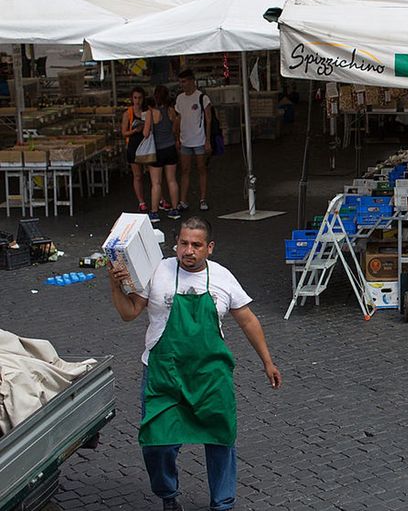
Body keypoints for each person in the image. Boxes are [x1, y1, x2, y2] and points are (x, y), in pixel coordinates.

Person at [107, 216, 282, 511]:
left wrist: (268, 361)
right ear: (176, 244)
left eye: (196, 245)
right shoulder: (157, 271)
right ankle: (168, 495)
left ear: (209, 247)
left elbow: (248, 320)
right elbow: (129, 313)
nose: (188, 251)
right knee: (157, 443)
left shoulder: (223, 277)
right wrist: (115, 285)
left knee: (221, 438)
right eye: (183, 243)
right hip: (164, 375)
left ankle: (222, 504)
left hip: (210, 377)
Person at [174, 69, 213, 212]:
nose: (182, 84)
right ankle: (183, 200)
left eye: (184, 81)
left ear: (191, 81)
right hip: (185, 140)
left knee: (201, 169)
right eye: (180, 82)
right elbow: (178, 118)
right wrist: (177, 137)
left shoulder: (202, 97)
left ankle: (203, 199)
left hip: (199, 139)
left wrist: (207, 140)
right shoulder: (180, 98)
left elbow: (208, 120)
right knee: (185, 170)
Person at [144, 86, 181, 220]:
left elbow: (146, 133)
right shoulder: (171, 111)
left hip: (157, 150)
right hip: (170, 148)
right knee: (172, 180)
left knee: (156, 183)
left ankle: (154, 212)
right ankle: (175, 209)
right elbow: (175, 130)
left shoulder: (151, 113)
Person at [122, 87, 150, 214]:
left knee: (153, 175)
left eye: (140, 98)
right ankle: (141, 202)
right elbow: (124, 132)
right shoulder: (128, 114)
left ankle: (159, 198)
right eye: (135, 98)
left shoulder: (147, 112)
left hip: (147, 145)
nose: (137, 101)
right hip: (134, 146)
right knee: (137, 175)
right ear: (131, 99)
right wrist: (134, 130)